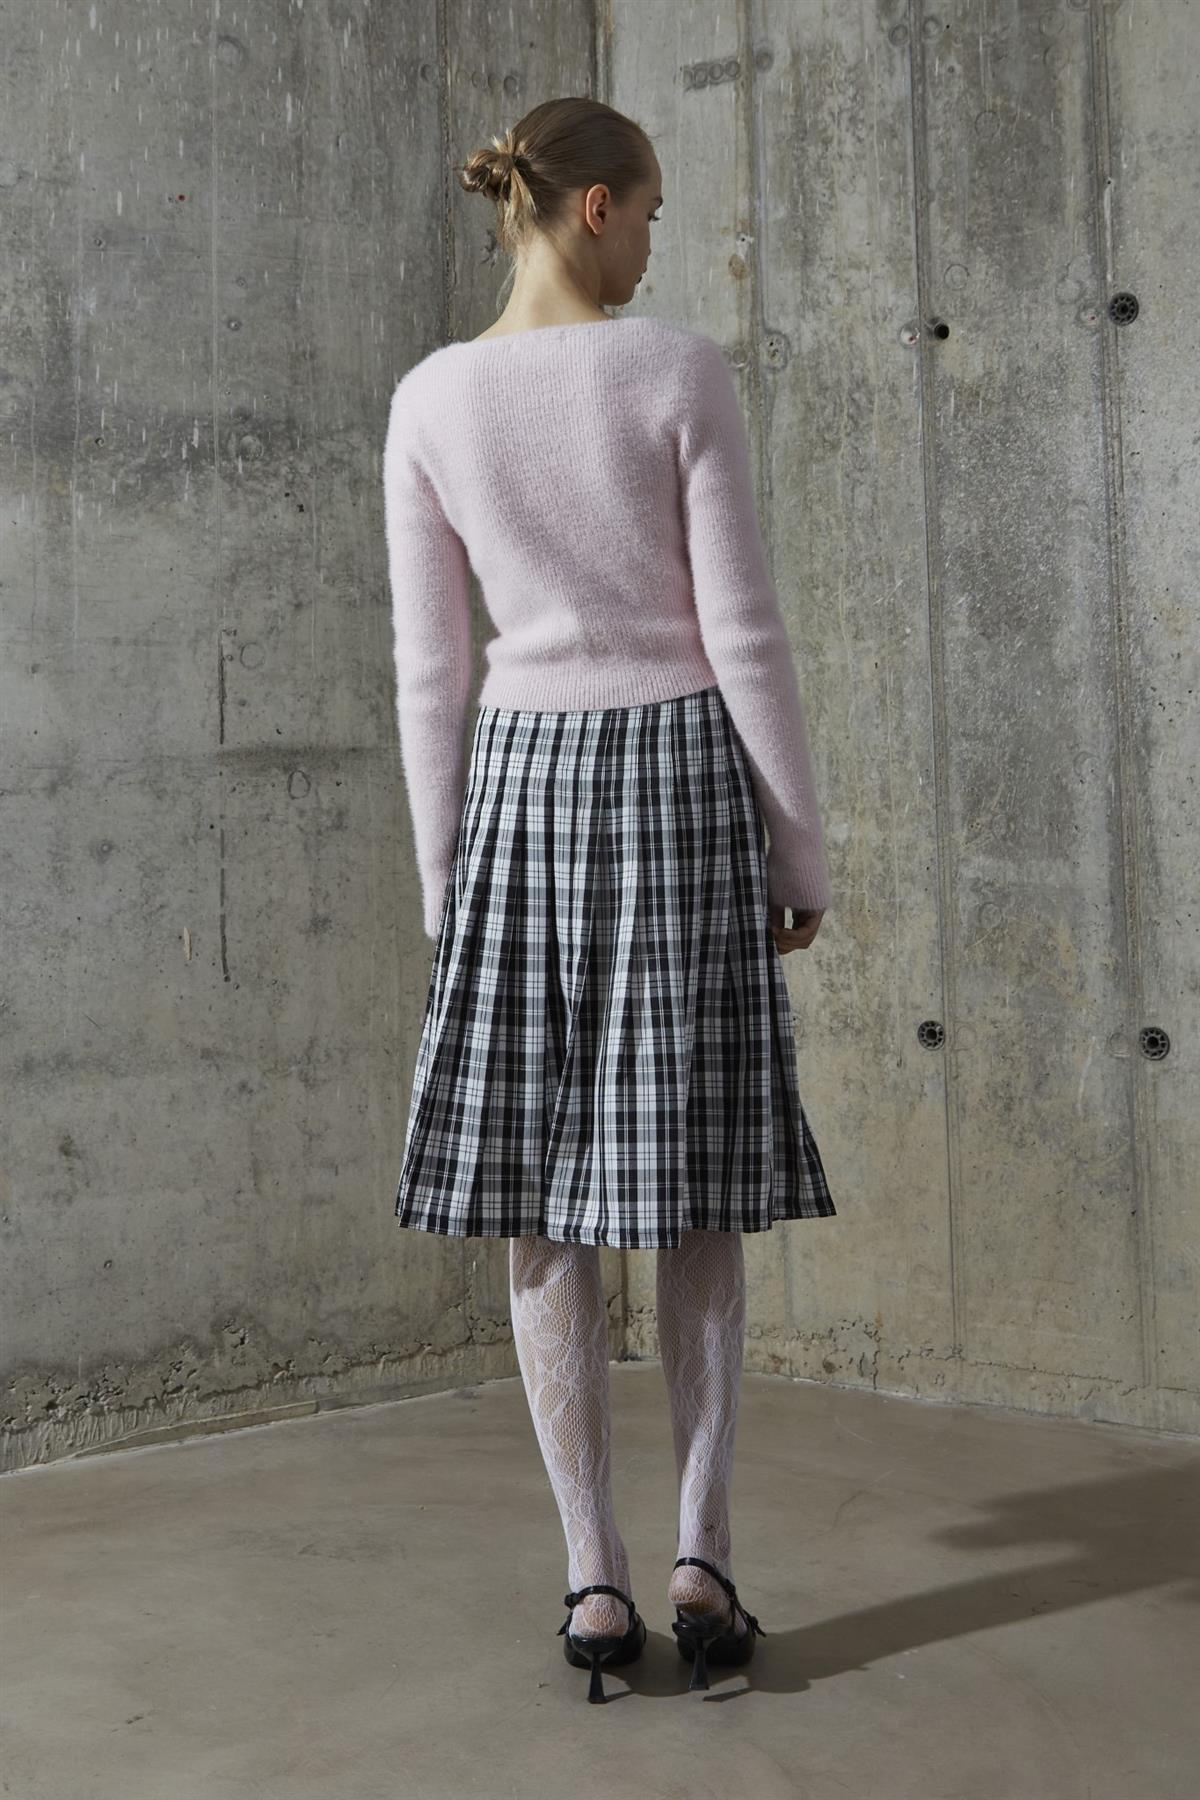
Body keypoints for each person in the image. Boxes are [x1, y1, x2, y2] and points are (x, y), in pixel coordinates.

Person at [382, 96, 836, 1702]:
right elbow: (744, 630)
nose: (650, 241)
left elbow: (431, 672)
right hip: (680, 784)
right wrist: (800, 849)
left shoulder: (432, 397)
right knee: (699, 1186)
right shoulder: (673, 371)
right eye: (645, 211)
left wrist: (447, 888)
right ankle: (704, 1561)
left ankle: (595, 1582)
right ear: (590, 206)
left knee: (538, 1198)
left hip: (517, 796)